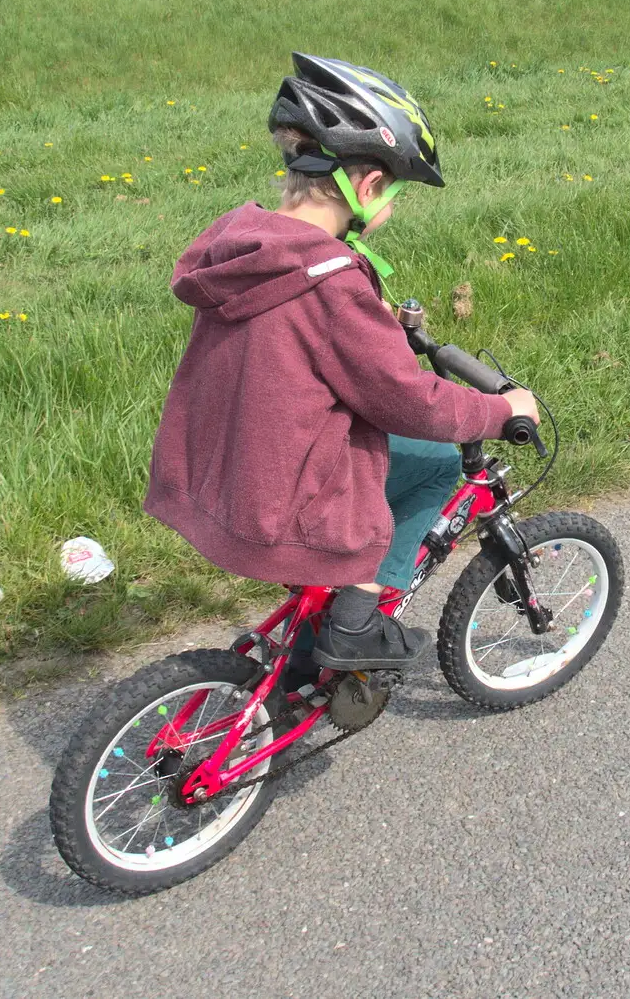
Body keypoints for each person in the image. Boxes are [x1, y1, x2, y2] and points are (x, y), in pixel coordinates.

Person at [144, 53, 538, 672]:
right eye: (396, 192)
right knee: (435, 464)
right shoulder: (329, 283)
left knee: (381, 454)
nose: (391, 207)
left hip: (217, 471)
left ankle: (313, 633)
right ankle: (355, 621)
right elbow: (408, 400)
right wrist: (499, 410)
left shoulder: (247, 244)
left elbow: (305, 350)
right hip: (287, 495)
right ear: (368, 184)